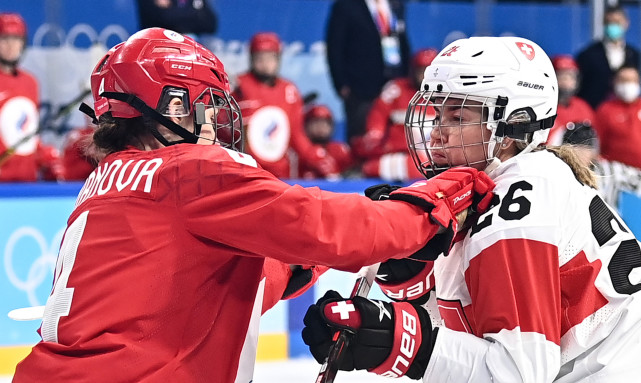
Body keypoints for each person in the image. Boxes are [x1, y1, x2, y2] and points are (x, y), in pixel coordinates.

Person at [11, 28, 494, 383]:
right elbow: (328, 226)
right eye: (205, 105)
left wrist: (310, 260)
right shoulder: (189, 172)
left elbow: (200, 291)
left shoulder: (105, 183)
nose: (211, 123)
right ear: (172, 107)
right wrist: (432, 204)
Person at [303, 36, 641, 382]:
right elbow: (479, 332)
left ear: (512, 127)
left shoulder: (518, 204)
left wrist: (397, 340)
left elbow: (515, 373)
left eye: (457, 117)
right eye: (438, 115)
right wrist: (413, 285)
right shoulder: (497, 187)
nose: (436, 134)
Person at [232, 32, 336, 179]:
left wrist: (317, 158)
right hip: (245, 169)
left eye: (270, 58)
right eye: (260, 58)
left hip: (280, 172)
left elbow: (296, 135)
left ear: (278, 59)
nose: (265, 63)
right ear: (251, 59)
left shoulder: (289, 90)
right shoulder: (237, 86)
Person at [326, 0, 411, 142]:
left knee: (396, 135)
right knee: (362, 138)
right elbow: (335, 47)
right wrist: (341, 84)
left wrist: (406, 79)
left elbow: (402, 41)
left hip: (394, 84)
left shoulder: (395, 4)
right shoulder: (346, 6)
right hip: (361, 88)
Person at [355, 48, 438, 181]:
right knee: (371, 167)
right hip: (399, 153)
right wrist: (376, 138)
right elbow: (377, 118)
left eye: (429, 72)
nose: (424, 76)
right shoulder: (396, 89)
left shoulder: (447, 94)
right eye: (421, 71)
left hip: (434, 154)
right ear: (413, 71)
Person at [0, 12, 61, 181]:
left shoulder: (31, 82)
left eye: (16, 39)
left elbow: (28, 132)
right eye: (4, 38)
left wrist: (45, 157)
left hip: (28, 181)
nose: (10, 45)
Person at [576, 4, 640, 109]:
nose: (613, 26)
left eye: (617, 22)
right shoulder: (588, 55)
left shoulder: (634, 55)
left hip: (626, 114)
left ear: (626, 23)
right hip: (595, 111)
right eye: (609, 22)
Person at [546, 55, 594, 146]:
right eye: (562, 76)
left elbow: (593, 143)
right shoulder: (542, 107)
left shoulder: (583, 107)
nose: (566, 82)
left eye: (571, 77)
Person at [298, 104, 353, 179]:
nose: (321, 127)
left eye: (325, 123)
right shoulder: (299, 152)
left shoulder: (340, 150)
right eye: (316, 122)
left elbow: (352, 178)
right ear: (306, 125)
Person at [135, 0, 217, 38]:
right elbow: (164, 18)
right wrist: (195, 14)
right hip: (158, 44)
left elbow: (210, 24)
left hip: (192, 45)